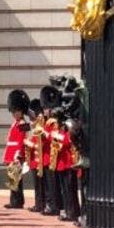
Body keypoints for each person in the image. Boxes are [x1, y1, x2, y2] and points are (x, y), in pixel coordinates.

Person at [3, 89, 30, 209]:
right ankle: (14, 200)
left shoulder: (23, 123)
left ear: (21, 111)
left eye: (16, 111)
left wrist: (18, 154)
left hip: (16, 153)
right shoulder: (15, 123)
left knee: (16, 179)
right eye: (13, 112)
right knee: (13, 178)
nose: (14, 114)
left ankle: (17, 201)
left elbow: (21, 140)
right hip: (11, 152)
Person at [39, 85, 63, 216]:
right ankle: (50, 204)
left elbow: (54, 137)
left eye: (46, 108)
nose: (44, 111)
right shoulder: (46, 121)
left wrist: (44, 134)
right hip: (46, 156)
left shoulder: (53, 121)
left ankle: (54, 206)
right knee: (48, 184)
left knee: (53, 184)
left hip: (53, 157)